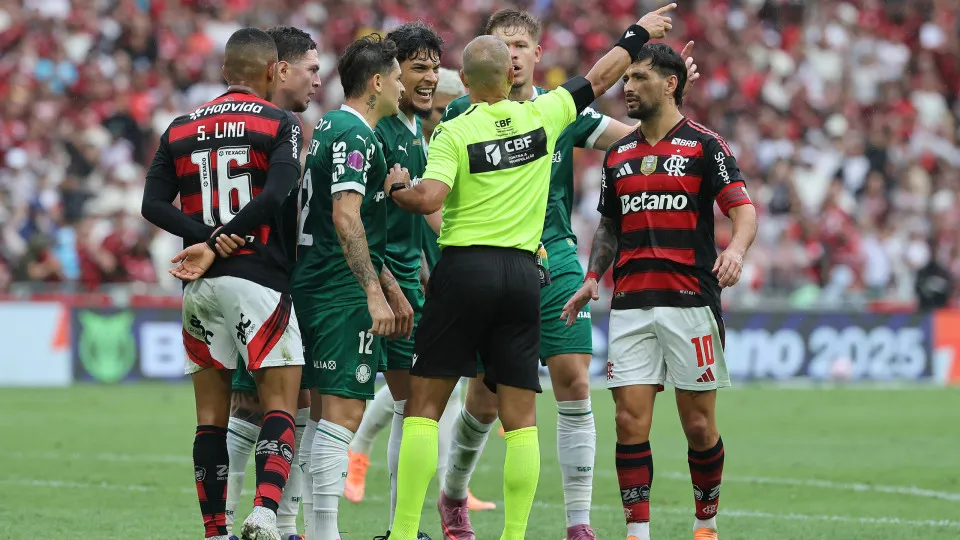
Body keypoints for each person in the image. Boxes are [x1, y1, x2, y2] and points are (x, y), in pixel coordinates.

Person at [384, 6, 678, 539]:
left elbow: (430, 194)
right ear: (501, 65)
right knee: (502, 407)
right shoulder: (551, 114)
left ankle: (574, 523)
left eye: (522, 44)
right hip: (520, 270)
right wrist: (641, 42)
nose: (514, 54)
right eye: (505, 46)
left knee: (434, 405)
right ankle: (488, 517)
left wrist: (399, 191)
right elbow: (602, 76)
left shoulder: (469, 123)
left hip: (527, 259)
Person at [561, 43, 758, 540]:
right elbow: (608, 228)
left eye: (638, 78)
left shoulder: (705, 145)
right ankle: (637, 533)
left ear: (670, 84)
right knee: (629, 422)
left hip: (691, 301)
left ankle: (705, 525)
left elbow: (744, 210)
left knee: (698, 427)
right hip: (629, 303)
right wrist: (591, 279)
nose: (626, 88)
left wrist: (734, 251)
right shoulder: (619, 154)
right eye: (625, 80)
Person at [141, 27, 306, 540]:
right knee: (280, 403)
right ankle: (264, 511)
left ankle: (215, 532)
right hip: (258, 279)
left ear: (223, 72)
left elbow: (152, 205)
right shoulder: (281, 122)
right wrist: (226, 236)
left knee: (210, 418)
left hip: (200, 288)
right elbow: (278, 192)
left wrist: (205, 237)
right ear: (273, 71)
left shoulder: (180, 127)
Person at [289, 33, 407, 540]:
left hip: (310, 282)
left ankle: (296, 524)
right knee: (342, 409)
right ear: (377, 82)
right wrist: (373, 293)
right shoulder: (358, 135)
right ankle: (325, 531)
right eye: (399, 78)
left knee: (317, 411)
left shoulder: (326, 127)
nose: (403, 87)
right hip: (337, 290)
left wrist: (389, 283)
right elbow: (346, 216)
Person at [222, 26, 321, 540]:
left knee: (298, 401)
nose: (316, 82)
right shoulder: (263, 128)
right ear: (278, 69)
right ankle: (239, 521)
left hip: (290, 280)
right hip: (253, 280)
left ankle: (283, 525)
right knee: (251, 403)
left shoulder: (298, 128)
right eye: (310, 69)